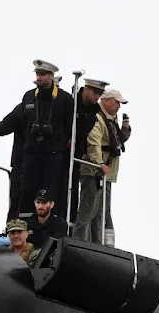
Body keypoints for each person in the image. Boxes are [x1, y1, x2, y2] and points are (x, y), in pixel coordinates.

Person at [0, 59, 74, 220]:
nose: (39, 78)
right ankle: (23, 226)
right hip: (31, 155)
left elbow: (71, 128)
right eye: (37, 74)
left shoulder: (65, 99)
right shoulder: (29, 97)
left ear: (52, 76)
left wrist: (61, 143)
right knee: (26, 192)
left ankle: (49, 229)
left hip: (53, 156)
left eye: (43, 74)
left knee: (50, 194)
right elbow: (11, 121)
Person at [72, 89, 131, 246]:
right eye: (116, 102)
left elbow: (116, 141)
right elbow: (94, 142)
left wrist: (125, 130)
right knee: (87, 210)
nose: (119, 106)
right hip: (93, 171)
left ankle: (97, 246)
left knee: (101, 213)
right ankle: (79, 244)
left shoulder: (111, 119)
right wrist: (99, 164)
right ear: (106, 100)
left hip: (105, 173)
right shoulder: (98, 118)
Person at [58, 78, 108, 230]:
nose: (97, 97)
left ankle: (69, 225)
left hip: (76, 156)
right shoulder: (70, 103)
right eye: (95, 92)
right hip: (59, 153)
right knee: (59, 190)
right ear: (86, 89)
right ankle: (59, 223)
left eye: (100, 94)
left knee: (72, 193)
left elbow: (86, 134)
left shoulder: (93, 112)